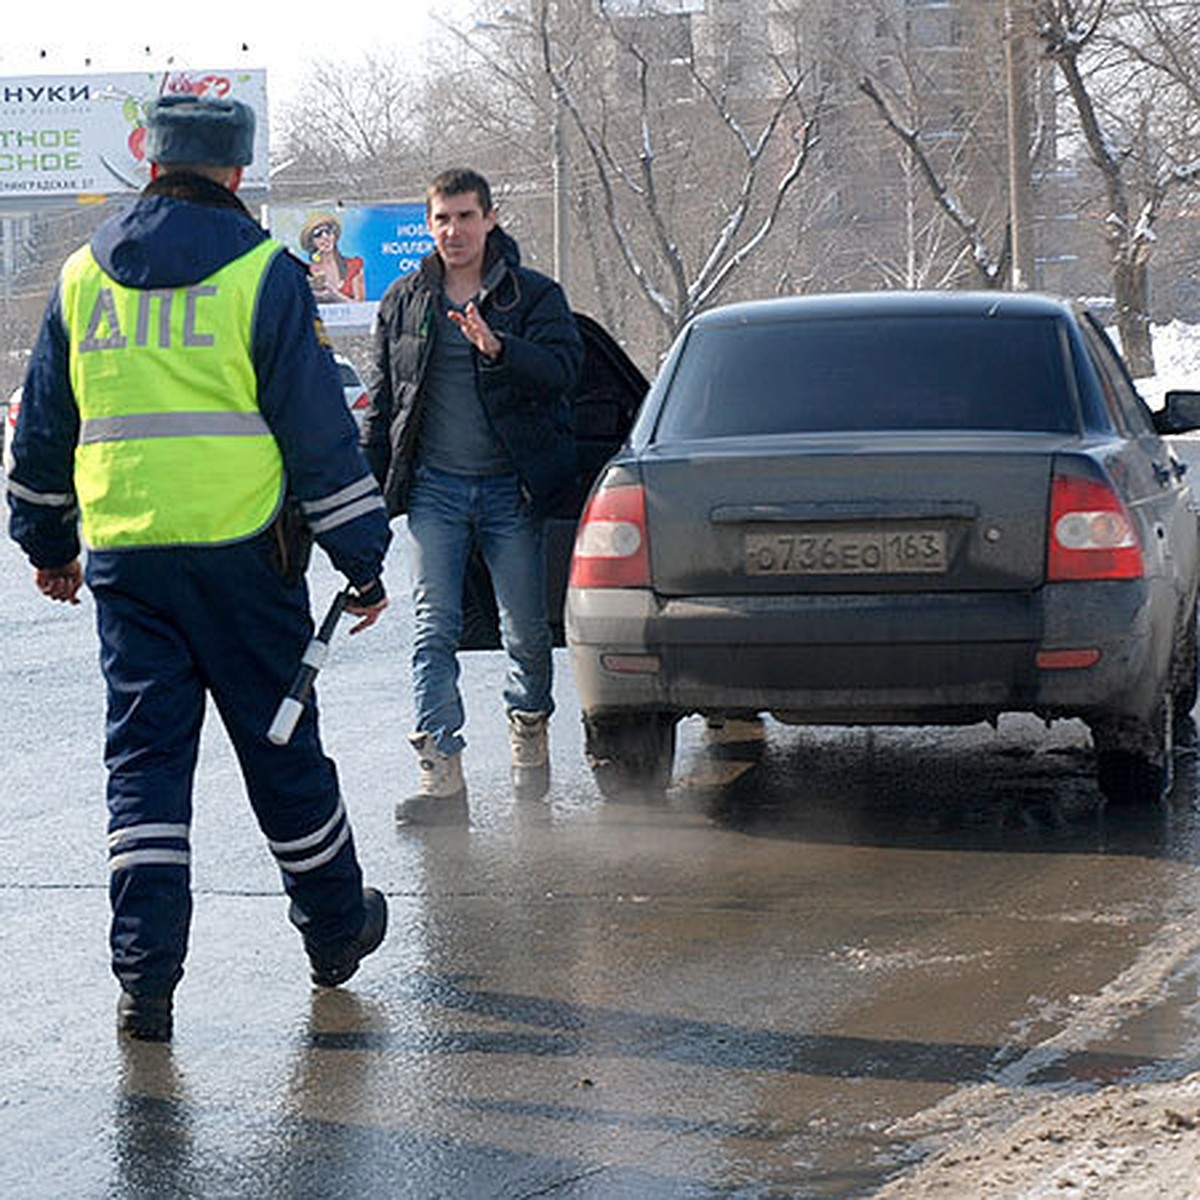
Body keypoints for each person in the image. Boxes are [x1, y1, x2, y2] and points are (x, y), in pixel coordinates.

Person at [6, 94, 392, 1042]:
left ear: (151, 165)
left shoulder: (80, 278)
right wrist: (363, 559)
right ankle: (337, 930)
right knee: (281, 750)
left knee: (144, 772)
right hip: (242, 560)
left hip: (129, 562)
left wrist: (49, 547)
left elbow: (42, 434)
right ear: (232, 172)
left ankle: (145, 984)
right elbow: (318, 438)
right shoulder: (265, 272)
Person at [362, 167, 583, 825]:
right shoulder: (404, 300)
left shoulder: (532, 297)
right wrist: (367, 505)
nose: (453, 231)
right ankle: (440, 774)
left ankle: (528, 745)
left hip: (508, 489)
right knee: (434, 627)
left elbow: (566, 373)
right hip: (435, 491)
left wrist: (499, 347)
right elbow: (383, 408)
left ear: (489, 219)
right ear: (427, 226)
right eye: (441, 219)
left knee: (524, 630)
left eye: (464, 216)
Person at [300, 212, 366, 303]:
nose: (325, 237)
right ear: (312, 242)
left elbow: (361, 306)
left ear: (334, 235)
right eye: (318, 234)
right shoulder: (307, 272)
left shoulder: (353, 265)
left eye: (328, 231)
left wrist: (334, 295)